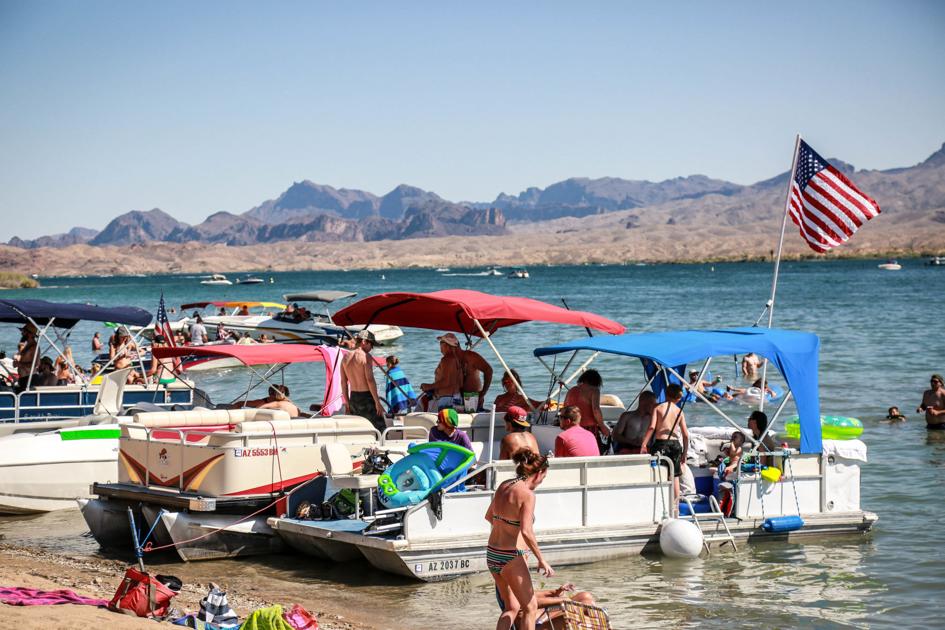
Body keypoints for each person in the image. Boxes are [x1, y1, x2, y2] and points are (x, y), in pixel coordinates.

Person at [485, 450, 554, 630]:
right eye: (543, 478)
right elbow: (526, 531)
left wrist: (506, 527)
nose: (541, 482)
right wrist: (541, 560)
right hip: (509, 556)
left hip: (492, 553)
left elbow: (488, 516)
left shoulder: (504, 486)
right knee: (530, 607)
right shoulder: (527, 494)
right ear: (538, 473)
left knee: (511, 607)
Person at [641, 384, 689, 504]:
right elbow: (685, 435)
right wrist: (685, 453)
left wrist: (644, 444)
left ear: (666, 394)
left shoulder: (658, 408)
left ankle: (660, 505)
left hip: (661, 444)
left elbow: (652, 427)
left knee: (660, 474)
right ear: (678, 398)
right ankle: (675, 509)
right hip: (676, 445)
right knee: (675, 477)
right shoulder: (679, 411)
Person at [341, 330, 385, 432]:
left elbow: (343, 383)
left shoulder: (345, 357)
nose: (371, 348)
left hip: (353, 398)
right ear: (364, 342)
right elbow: (370, 380)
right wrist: (377, 402)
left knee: (360, 430)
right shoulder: (365, 356)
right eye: (371, 344)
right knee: (380, 430)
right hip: (366, 398)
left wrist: (347, 402)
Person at [563, 369, 610, 452]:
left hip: (572, 427)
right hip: (589, 429)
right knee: (593, 451)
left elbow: (565, 408)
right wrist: (602, 426)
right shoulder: (594, 391)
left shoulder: (572, 390)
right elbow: (596, 410)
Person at [420, 333, 464, 411]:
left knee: (444, 421)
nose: (440, 345)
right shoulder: (458, 359)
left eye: (441, 343)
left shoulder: (446, 359)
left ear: (447, 345)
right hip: (456, 396)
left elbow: (446, 382)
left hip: (447, 398)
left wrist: (428, 386)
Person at [459, 341, 493, 412]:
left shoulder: (470, 356)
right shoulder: (451, 359)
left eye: (442, 345)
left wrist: (483, 392)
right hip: (458, 397)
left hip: (472, 395)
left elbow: (488, 370)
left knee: (472, 420)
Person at [14, 324, 37, 390]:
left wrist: (19, 364)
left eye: (24, 332)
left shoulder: (33, 347)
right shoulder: (28, 346)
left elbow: (36, 364)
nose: (22, 333)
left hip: (29, 379)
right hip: (24, 378)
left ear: (30, 334)